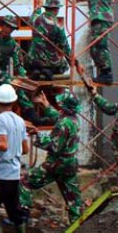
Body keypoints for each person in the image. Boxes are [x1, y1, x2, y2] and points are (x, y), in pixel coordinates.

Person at [21, 91, 83, 224]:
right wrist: (46, 105)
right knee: (73, 201)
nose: (59, 103)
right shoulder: (73, 119)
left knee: (25, 182)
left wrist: (37, 134)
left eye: (61, 102)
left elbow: (54, 146)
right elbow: (58, 117)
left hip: (56, 165)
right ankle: (79, 226)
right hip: (70, 164)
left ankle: (22, 217)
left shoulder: (63, 124)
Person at [0, 84, 29, 232]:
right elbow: (25, 149)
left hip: (0, 173)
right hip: (14, 173)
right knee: (14, 211)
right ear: (13, 101)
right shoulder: (20, 121)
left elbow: (3, 144)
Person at [77, 0, 114, 83]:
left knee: (100, 45)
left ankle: (106, 73)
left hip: (102, 17)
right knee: (94, 47)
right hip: (98, 16)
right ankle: (103, 71)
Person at [25, 0, 74, 80]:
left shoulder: (36, 19)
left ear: (46, 8)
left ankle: (36, 70)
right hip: (49, 62)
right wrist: (72, 62)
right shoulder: (58, 25)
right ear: (56, 10)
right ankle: (48, 71)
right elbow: (64, 46)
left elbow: (32, 17)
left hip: (33, 61)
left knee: (31, 58)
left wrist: (38, 7)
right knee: (64, 64)